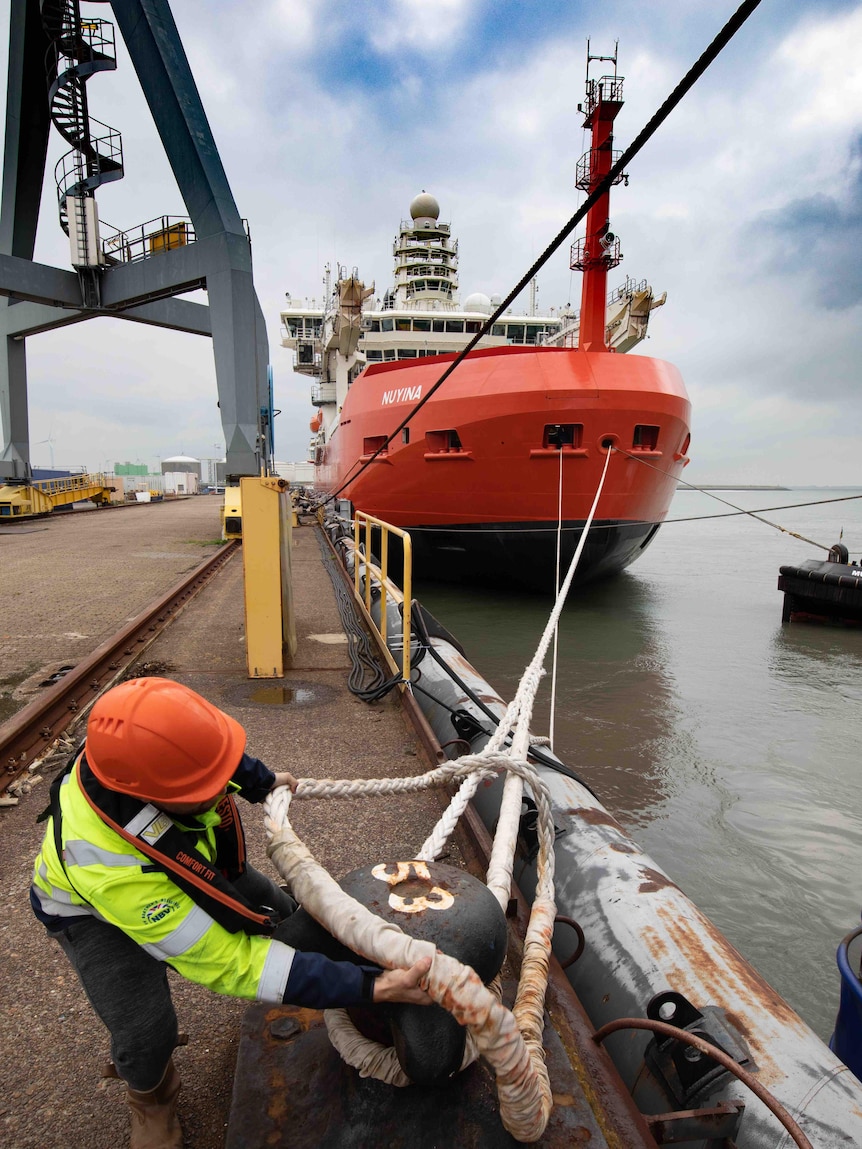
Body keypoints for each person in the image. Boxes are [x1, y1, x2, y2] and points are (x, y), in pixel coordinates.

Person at [31, 676, 431, 1149]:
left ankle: (341, 986)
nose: (223, 785)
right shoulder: (108, 865)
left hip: (187, 861)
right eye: (211, 784)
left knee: (292, 921)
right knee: (146, 1027)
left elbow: (206, 756)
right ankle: (151, 1097)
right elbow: (228, 960)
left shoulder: (143, 754)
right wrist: (372, 986)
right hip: (93, 916)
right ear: (164, 796)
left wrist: (261, 781)